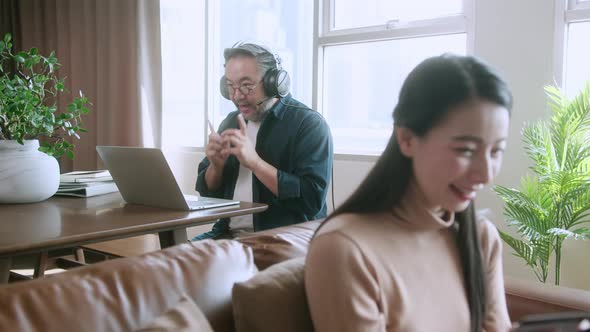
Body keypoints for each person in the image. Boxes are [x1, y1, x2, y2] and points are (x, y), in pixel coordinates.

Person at [305, 54, 513, 332]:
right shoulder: (345, 249)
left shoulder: (479, 237)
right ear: (407, 139)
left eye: (496, 150)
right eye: (465, 150)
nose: (486, 174)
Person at [192, 42, 333, 240]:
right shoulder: (231, 122)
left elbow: (311, 200)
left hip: (285, 238)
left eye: (246, 86)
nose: (237, 96)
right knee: (165, 261)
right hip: (227, 234)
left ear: (273, 82)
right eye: (230, 86)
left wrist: (255, 163)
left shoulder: (308, 124)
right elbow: (207, 192)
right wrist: (216, 166)